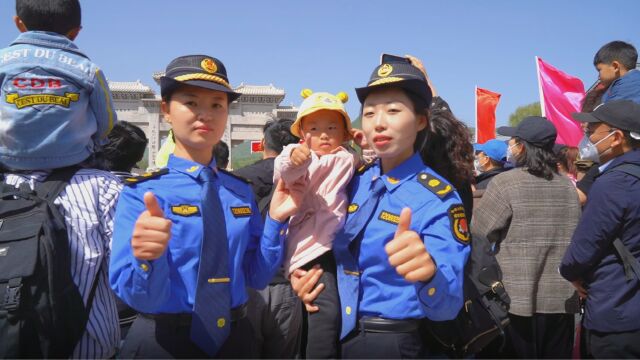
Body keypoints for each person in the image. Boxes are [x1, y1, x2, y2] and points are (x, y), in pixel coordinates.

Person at [109, 55, 299, 358]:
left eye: (216, 105)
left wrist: (275, 220)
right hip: (164, 341)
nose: (205, 114)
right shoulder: (142, 194)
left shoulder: (239, 192)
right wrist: (147, 258)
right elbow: (138, 297)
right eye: (191, 102)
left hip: (236, 339)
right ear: (166, 111)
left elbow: (257, 276)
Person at [292, 56, 471, 358]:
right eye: (370, 112)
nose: (379, 122)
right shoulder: (354, 180)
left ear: (420, 120)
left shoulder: (437, 198)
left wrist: (429, 274)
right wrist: (300, 271)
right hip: (334, 332)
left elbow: (448, 304)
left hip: (391, 341)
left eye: (393, 110)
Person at [472, 116, 581, 358]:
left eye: (512, 141)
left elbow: (479, 233)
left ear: (522, 146)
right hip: (561, 300)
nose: (510, 147)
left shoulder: (506, 183)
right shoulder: (567, 187)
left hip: (513, 299)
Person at [274, 89, 356, 358]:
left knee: (332, 313)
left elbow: (366, 159)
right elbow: (284, 169)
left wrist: (363, 142)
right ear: (301, 134)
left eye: (332, 127)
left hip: (335, 247)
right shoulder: (299, 155)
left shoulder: (345, 156)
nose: (323, 134)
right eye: (314, 128)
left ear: (345, 133)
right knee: (324, 312)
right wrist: (295, 159)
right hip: (310, 249)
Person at [560, 100, 640, 358]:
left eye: (592, 130)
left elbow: (585, 247)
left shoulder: (614, 182)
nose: (587, 136)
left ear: (616, 137)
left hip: (616, 310)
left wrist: (569, 271)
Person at [0, 0, 116, 171]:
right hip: (72, 161)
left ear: (19, 23)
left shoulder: (3, 61)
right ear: (75, 32)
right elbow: (107, 123)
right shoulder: (88, 69)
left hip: (8, 159)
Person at [233, 118, 303, 359]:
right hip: (288, 284)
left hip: (245, 286)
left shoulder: (237, 180)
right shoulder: (305, 181)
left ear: (263, 142)